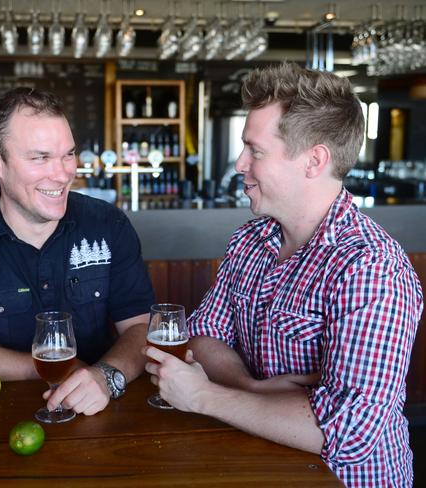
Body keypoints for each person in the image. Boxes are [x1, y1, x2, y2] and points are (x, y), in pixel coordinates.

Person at [144, 63, 422, 487]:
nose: (239, 164)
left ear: (314, 160)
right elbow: (203, 335)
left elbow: (346, 433)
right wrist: (250, 390)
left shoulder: (371, 268)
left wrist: (205, 395)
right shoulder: (251, 239)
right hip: (257, 463)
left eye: (255, 150)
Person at [0, 87, 154, 416]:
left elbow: (141, 327)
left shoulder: (108, 224)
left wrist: (106, 376)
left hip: (99, 418)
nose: (61, 173)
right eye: (40, 157)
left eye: (68, 155)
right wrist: (50, 369)